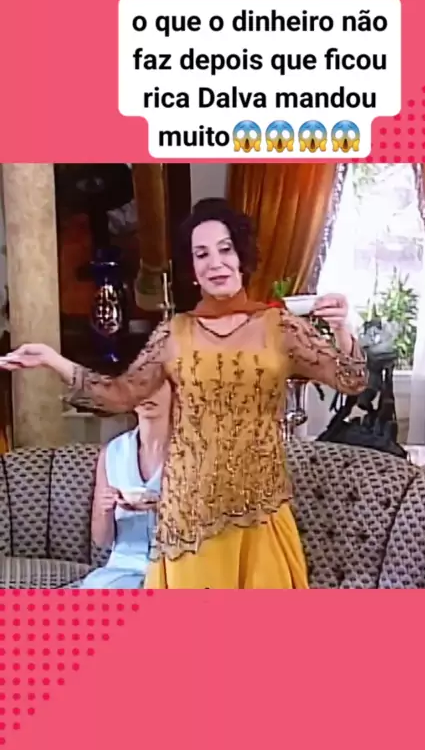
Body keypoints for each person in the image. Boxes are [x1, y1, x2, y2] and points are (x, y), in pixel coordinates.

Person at [1, 198, 367, 589]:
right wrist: (53, 360)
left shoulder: (279, 327)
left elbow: (352, 380)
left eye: (225, 249)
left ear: (241, 256)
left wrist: (342, 328)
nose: (215, 263)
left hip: (259, 512)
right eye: (201, 254)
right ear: (192, 269)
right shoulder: (175, 333)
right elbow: (119, 395)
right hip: (188, 519)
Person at [81, 381, 171, 588]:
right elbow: (101, 540)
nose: (148, 393)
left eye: (157, 384)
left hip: (173, 568)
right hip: (123, 569)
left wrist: (162, 506)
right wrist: (104, 509)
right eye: (140, 383)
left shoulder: (188, 454)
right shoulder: (112, 453)